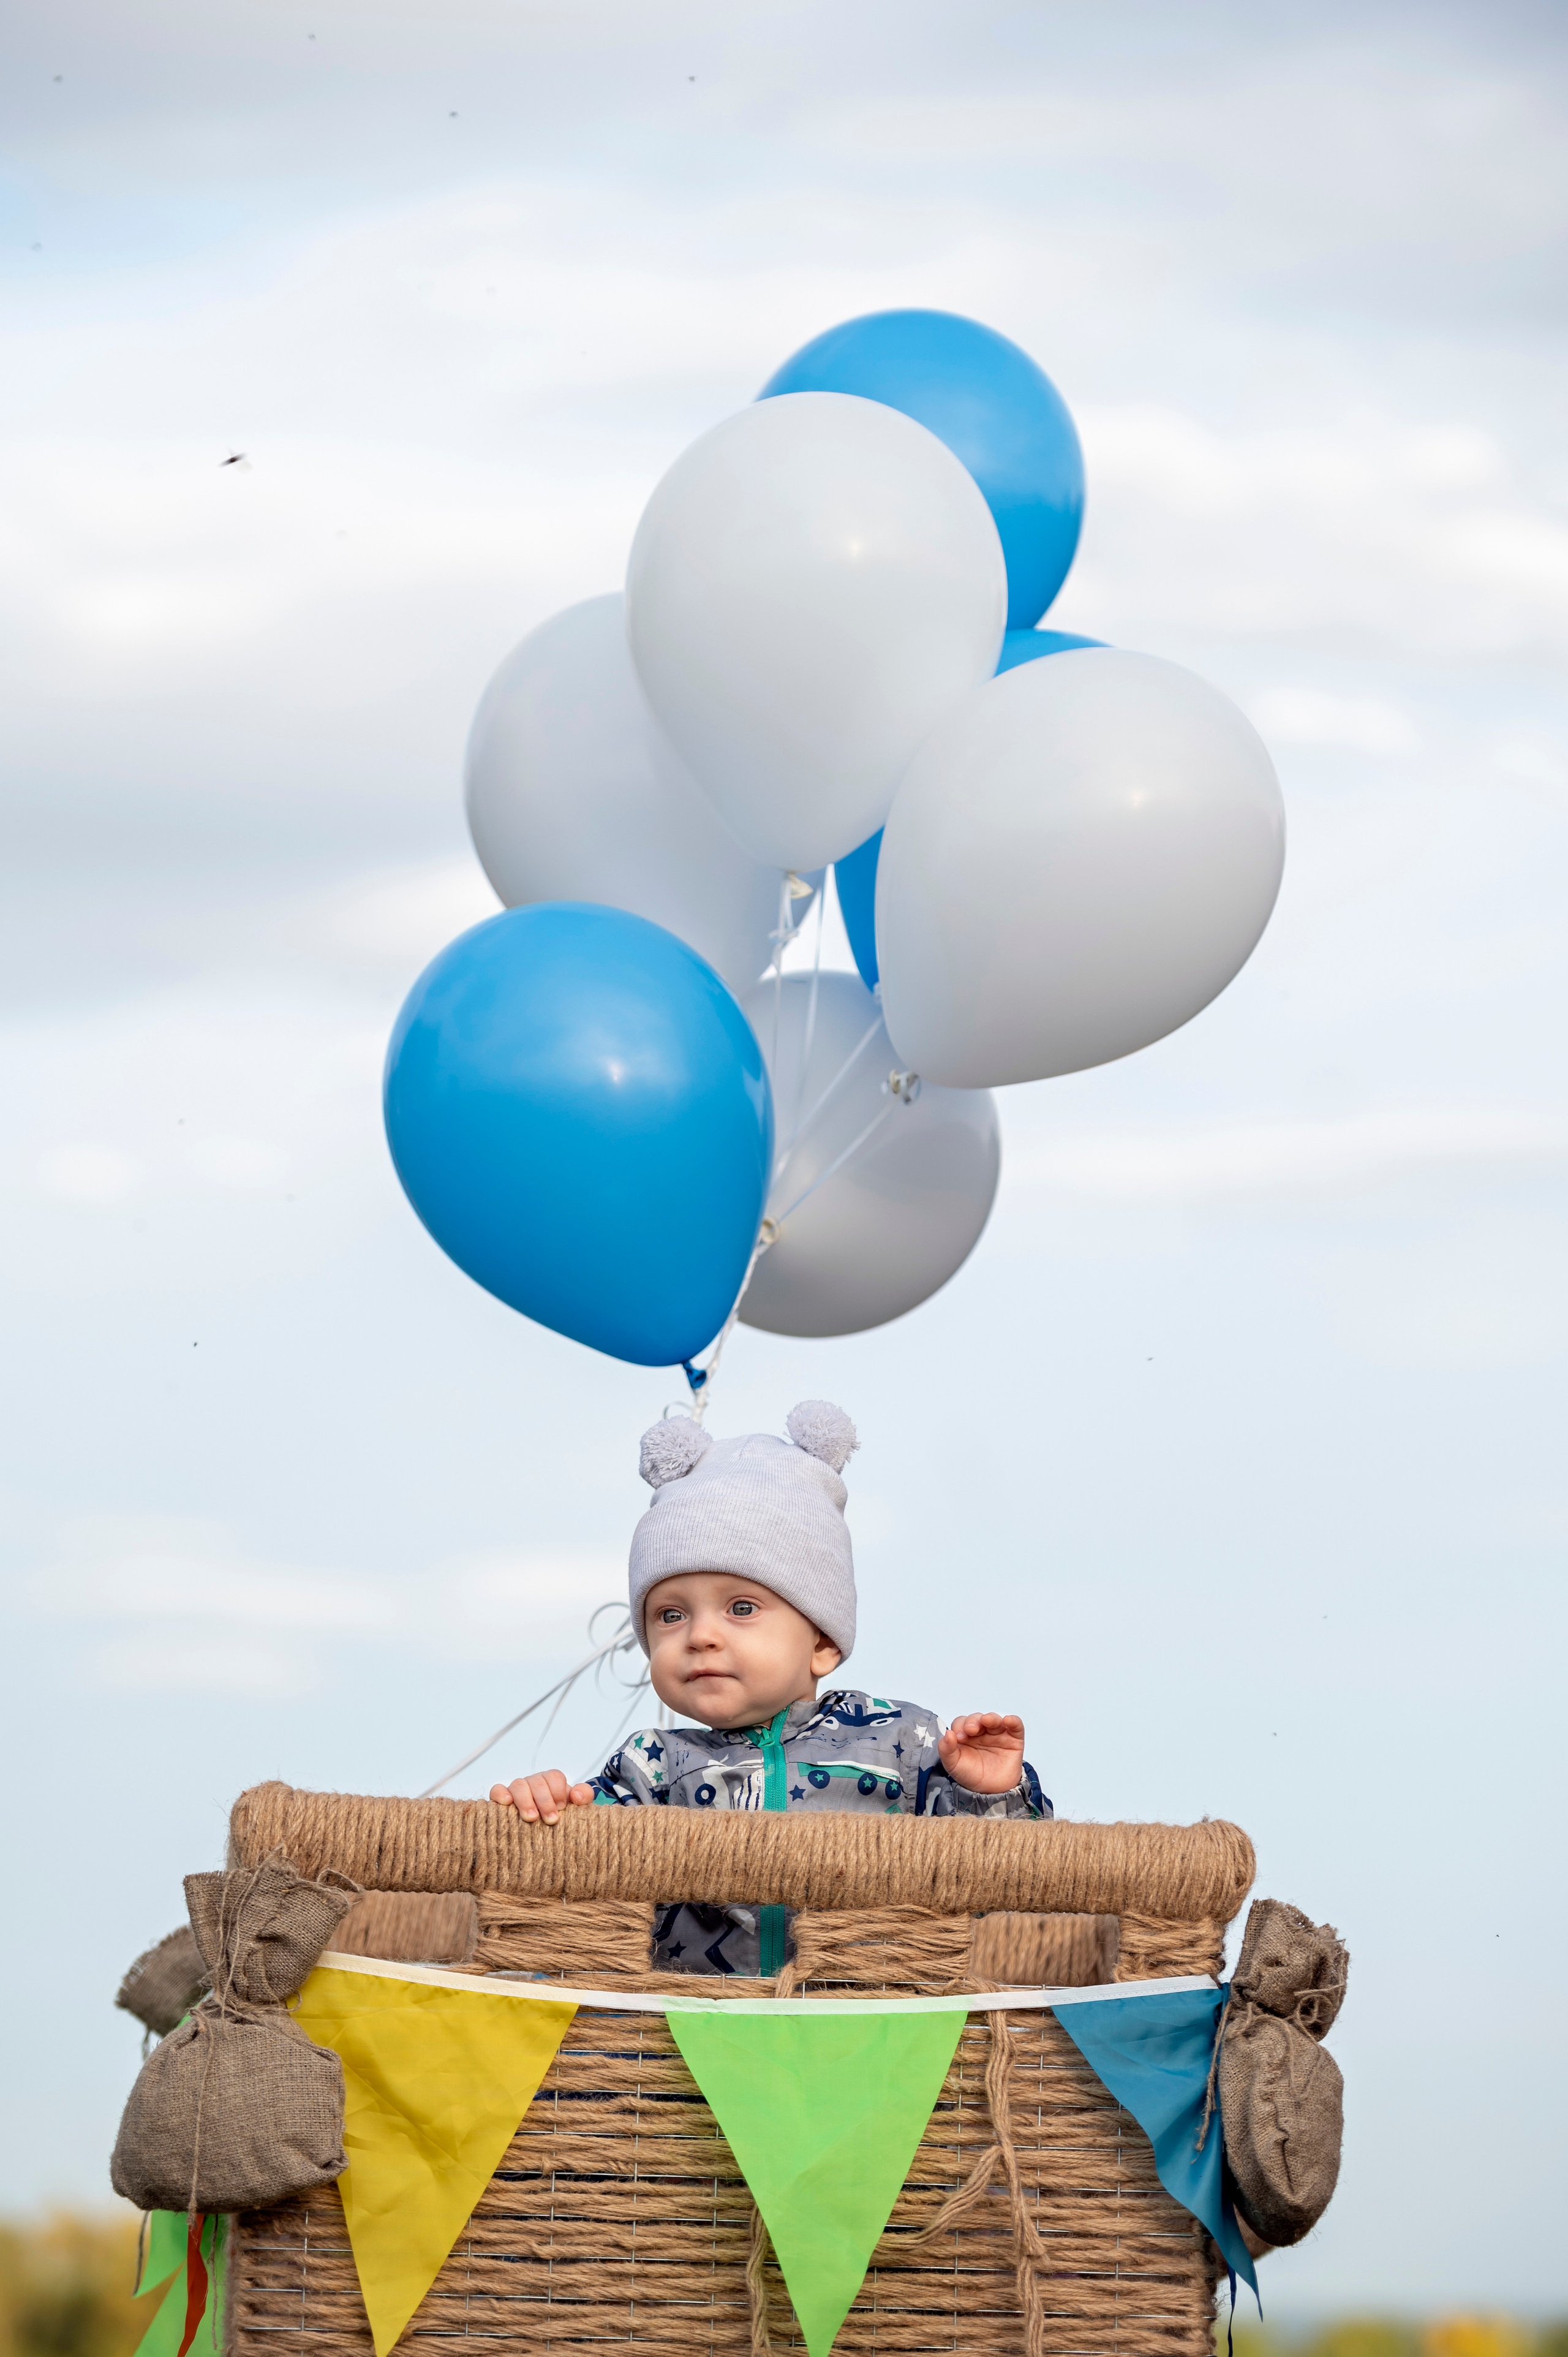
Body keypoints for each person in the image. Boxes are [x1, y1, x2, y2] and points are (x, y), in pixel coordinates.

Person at [491, 1399, 1049, 1975]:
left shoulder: (904, 1742)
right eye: (670, 1615)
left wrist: (989, 1796)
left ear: (823, 1642)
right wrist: (550, 1810)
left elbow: (1002, 1887)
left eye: (741, 1607)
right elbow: (578, 1886)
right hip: (695, 2037)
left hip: (878, 2033)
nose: (701, 1635)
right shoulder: (651, 1766)